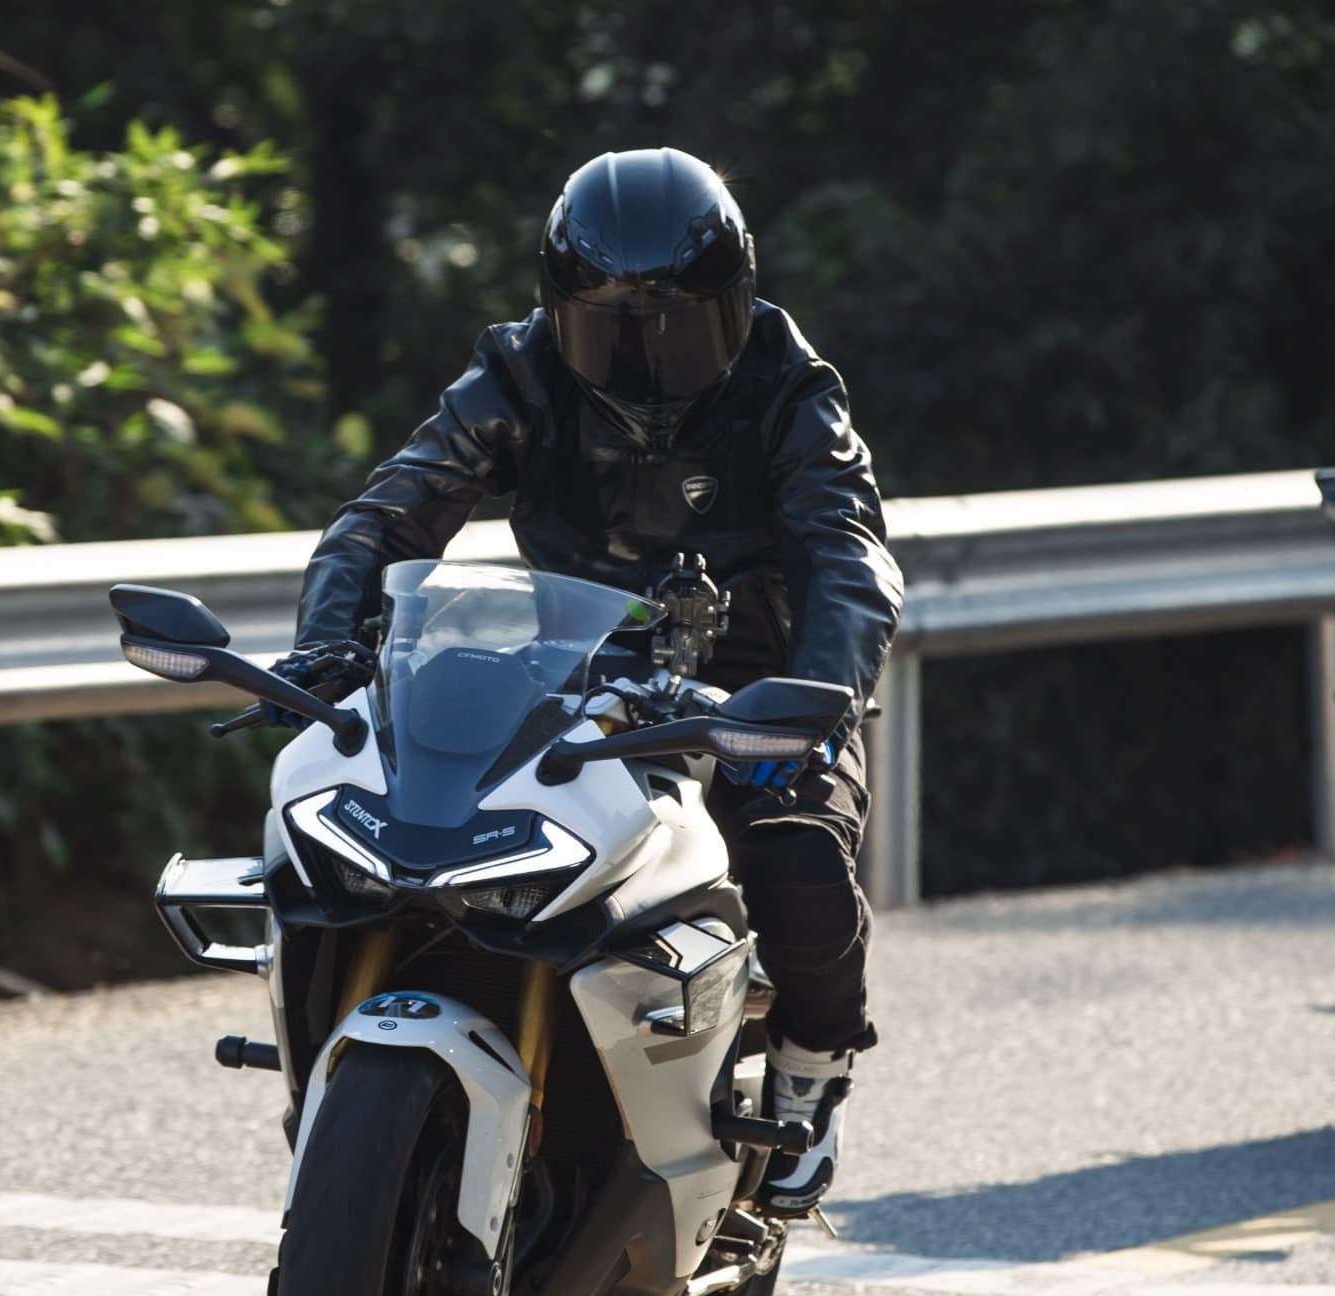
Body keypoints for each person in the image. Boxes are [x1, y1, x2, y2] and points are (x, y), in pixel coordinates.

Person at [284, 146, 902, 1215]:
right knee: (411, 828)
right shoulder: (516, 374)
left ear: (736, 302)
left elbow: (848, 552)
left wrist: (818, 703)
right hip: (571, 668)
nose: (641, 359)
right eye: (608, 327)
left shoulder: (789, 388)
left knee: (796, 852)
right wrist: (330, 641)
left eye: (672, 327)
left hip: (760, 689)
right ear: (557, 310)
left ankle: (810, 1068)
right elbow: (388, 514)